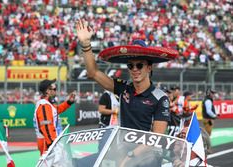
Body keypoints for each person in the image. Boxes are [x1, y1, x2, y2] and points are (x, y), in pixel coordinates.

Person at [76, 19, 178, 165]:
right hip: (123, 152)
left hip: (148, 157)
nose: (135, 69)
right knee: (81, 163)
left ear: (149, 67)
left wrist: (131, 156)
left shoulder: (161, 98)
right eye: (131, 66)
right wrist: (86, 43)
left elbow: (157, 137)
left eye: (139, 65)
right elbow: (93, 73)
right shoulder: (123, 88)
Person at [33, 78, 75, 155]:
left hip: (49, 142)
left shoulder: (47, 104)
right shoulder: (44, 106)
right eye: (54, 89)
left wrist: (68, 102)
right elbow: (46, 126)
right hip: (48, 144)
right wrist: (52, 144)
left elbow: (56, 110)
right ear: (48, 91)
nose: (56, 91)